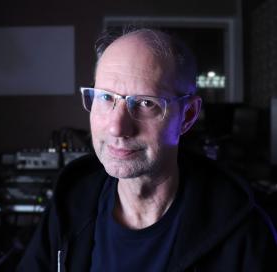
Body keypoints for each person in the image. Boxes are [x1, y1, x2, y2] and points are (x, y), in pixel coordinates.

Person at [17, 27, 277, 272]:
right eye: (106, 98)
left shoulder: (243, 227)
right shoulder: (72, 199)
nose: (117, 128)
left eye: (144, 103)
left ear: (187, 115)